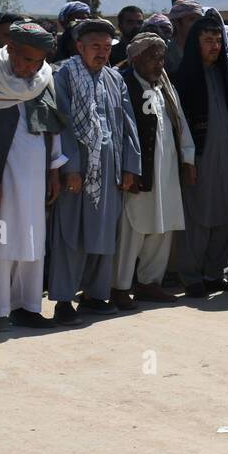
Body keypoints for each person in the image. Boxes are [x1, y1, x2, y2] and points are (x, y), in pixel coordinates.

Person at [0, 20, 65, 331]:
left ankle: (29, 306)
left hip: (36, 174)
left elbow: (52, 124)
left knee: (32, 239)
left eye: (37, 60)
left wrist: (54, 171)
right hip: (1, 173)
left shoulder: (44, 76)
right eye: (24, 59)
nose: (30, 67)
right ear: (9, 48)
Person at [48, 18, 142, 325]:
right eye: (95, 47)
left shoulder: (114, 78)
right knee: (70, 235)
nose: (102, 53)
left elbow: (127, 122)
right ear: (79, 46)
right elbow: (60, 122)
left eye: (106, 47)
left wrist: (130, 165)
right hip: (77, 172)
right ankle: (63, 300)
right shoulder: (63, 75)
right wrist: (71, 168)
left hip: (109, 169)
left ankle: (94, 296)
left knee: (103, 234)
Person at [114, 32, 194, 308]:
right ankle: (120, 286)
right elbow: (120, 133)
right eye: (152, 58)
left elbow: (180, 122)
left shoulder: (164, 86)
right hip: (138, 171)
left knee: (163, 226)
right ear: (135, 59)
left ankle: (150, 283)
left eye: (161, 57)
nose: (159, 64)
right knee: (133, 228)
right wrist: (128, 168)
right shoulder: (124, 86)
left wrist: (188, 159)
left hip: (167, 170)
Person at [175, 15, 228, 294]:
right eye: (208, 41)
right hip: (200, 158)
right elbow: (179, 124)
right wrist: (187, 159)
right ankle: (191, 277)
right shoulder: (185, 76)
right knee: (199, 218)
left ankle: (215, 274)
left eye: (218, 41)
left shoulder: (226, 73)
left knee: (225, 215)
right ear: (196, 43)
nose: (215, 46)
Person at [165, 0, 205, 75]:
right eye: (192, 19)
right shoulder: (166, 54)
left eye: (199, 20)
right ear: (176, 22)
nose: (197, 24)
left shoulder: (206, 50)